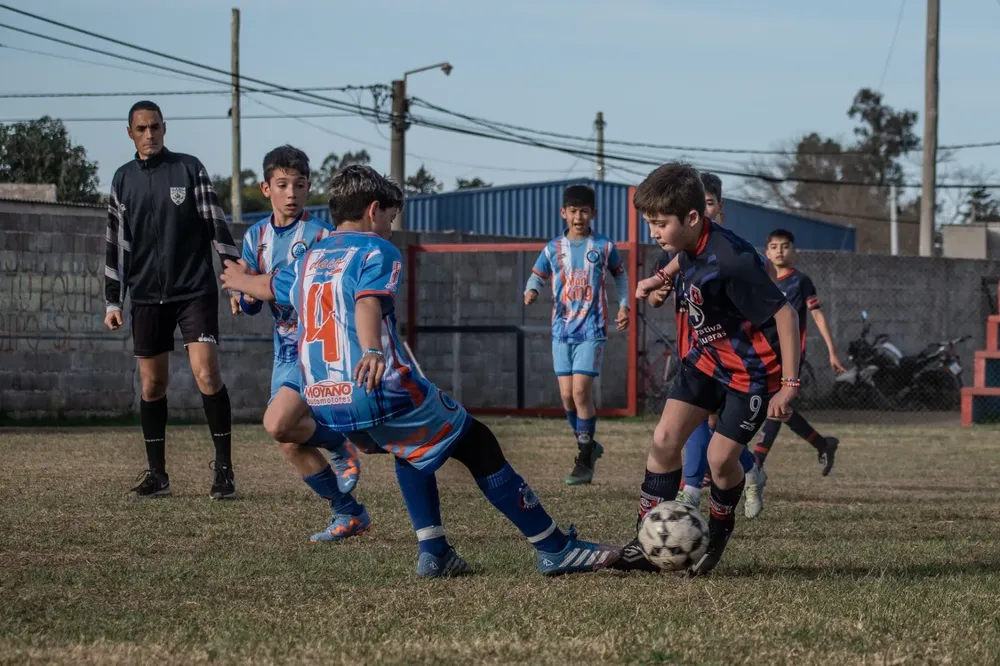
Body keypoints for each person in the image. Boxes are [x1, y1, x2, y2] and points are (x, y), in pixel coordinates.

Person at [220, 165, 622, 578]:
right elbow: (366, 302)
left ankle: (434, 551)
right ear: (373, 210)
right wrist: (373, 348)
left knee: (410, 448)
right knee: (477, 443)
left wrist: (236, 278)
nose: (392, 228)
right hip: (373, 386)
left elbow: (269, 286)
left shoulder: (310, 259)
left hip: (324, 400)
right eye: (391, 218)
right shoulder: (376, 250)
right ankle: (555, 548)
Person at [612, 163, 801, 576]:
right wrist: (656, 278)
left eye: (660, 224)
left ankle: (716, 532)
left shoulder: (735, 259)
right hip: (705, 360)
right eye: (650, 223)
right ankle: (646, 542)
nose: (653, 232)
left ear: (693, 218)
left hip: (749, 374)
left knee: (719, 461)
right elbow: (683, 257)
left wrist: (788, 385)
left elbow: (786, 315)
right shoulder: (692, 244)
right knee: (663, 441)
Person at [231, 145, 368, 542]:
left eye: (300, 185)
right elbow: (255, 304)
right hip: (284, 349)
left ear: (309, 189)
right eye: (282, 185)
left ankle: (340, 444)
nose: (291, 193)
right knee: (287, 440)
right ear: (266, 189)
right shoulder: (254, 237)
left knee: (277, 423)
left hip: (317, 346)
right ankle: (348, 512)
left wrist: (258, 288)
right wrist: (244, 296)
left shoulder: (322, 236)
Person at [104, 100, 239, 500]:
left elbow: (217, 224)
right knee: (152, 385)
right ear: (130, 133)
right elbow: (116, 245)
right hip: (146, 296)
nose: (150, 135)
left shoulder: (188, 168)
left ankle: (225, 471)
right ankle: (157, 475)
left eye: (156, 127)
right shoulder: (122, 180)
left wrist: (235, 281)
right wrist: (115, 301)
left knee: (207, 374)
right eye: (142, 129)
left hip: (193, 290)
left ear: (165, 129)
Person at [644, 173, 756, 512]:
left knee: (720, 439)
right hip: (692, 355)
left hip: (731, 361)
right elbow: (655, 301)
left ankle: (748, 474)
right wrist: (659, 290)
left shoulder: (729, 255)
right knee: (688, 429)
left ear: (719, 208)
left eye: (709, 204)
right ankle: (691, 490)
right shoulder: (672, 253)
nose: (703, 211)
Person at [524, 185, 630, 485]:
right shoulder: (553, 248)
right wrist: (532, 289)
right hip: (561, 331)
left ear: (593, 213)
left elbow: (620, 275)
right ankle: (588, 446)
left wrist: (625, 306)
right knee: (567, 397)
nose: (579, 216)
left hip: (592, 330)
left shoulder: (604, 247)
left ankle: (583, 460)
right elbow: (537, 274)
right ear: (564, 213)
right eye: (573, 211)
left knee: (582, 392)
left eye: (584, 211)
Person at [746, 229, 843, 515]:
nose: (779, 252)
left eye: (785, 246)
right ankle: (823, 444)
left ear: (794, 251)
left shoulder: (801, 281)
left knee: (776, 407)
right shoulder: (761, 280)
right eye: (774, 246)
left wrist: (831, 350)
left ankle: (757, 464)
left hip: (790, 358)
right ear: (766, 251)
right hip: (763, 355)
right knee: (777, 409)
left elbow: (817, 314)